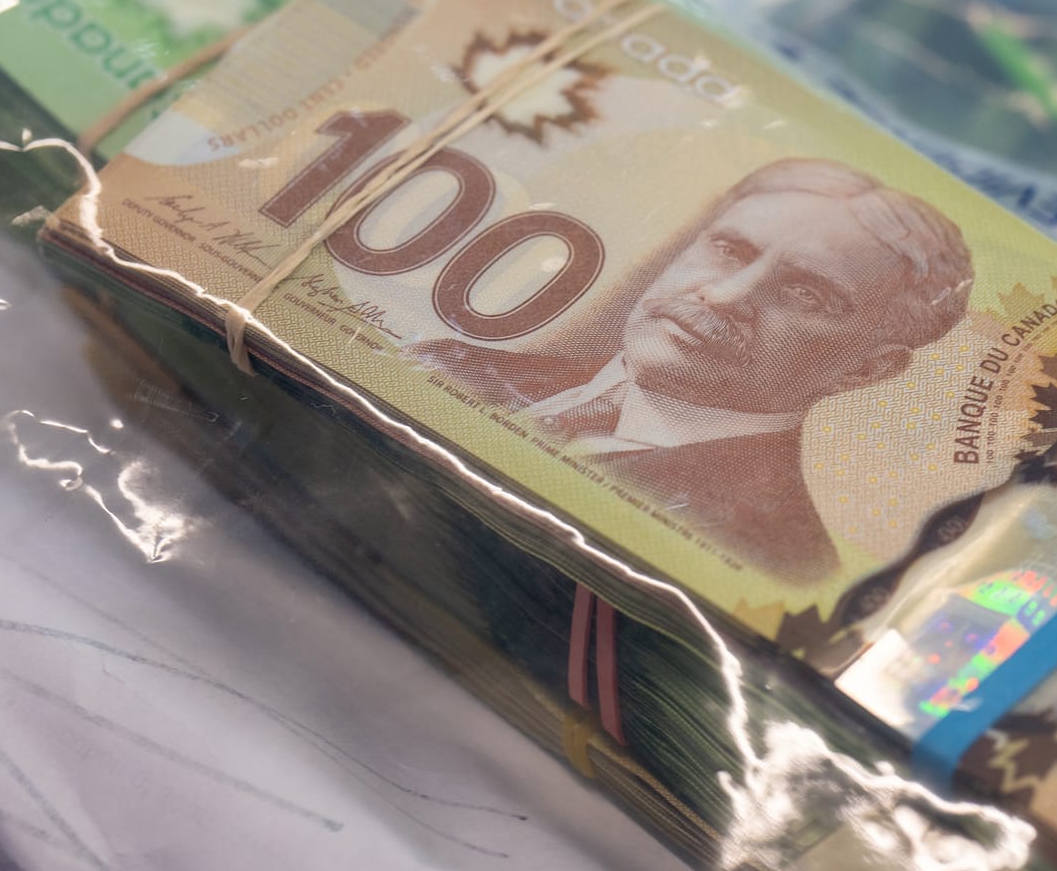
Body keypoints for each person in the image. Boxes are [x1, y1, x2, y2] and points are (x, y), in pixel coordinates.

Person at [412, 157, 974, 584]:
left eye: (806, 293)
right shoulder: (449, 363)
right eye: (730, 250)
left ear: (868, 370)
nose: (727, 297)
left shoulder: (771, 557)